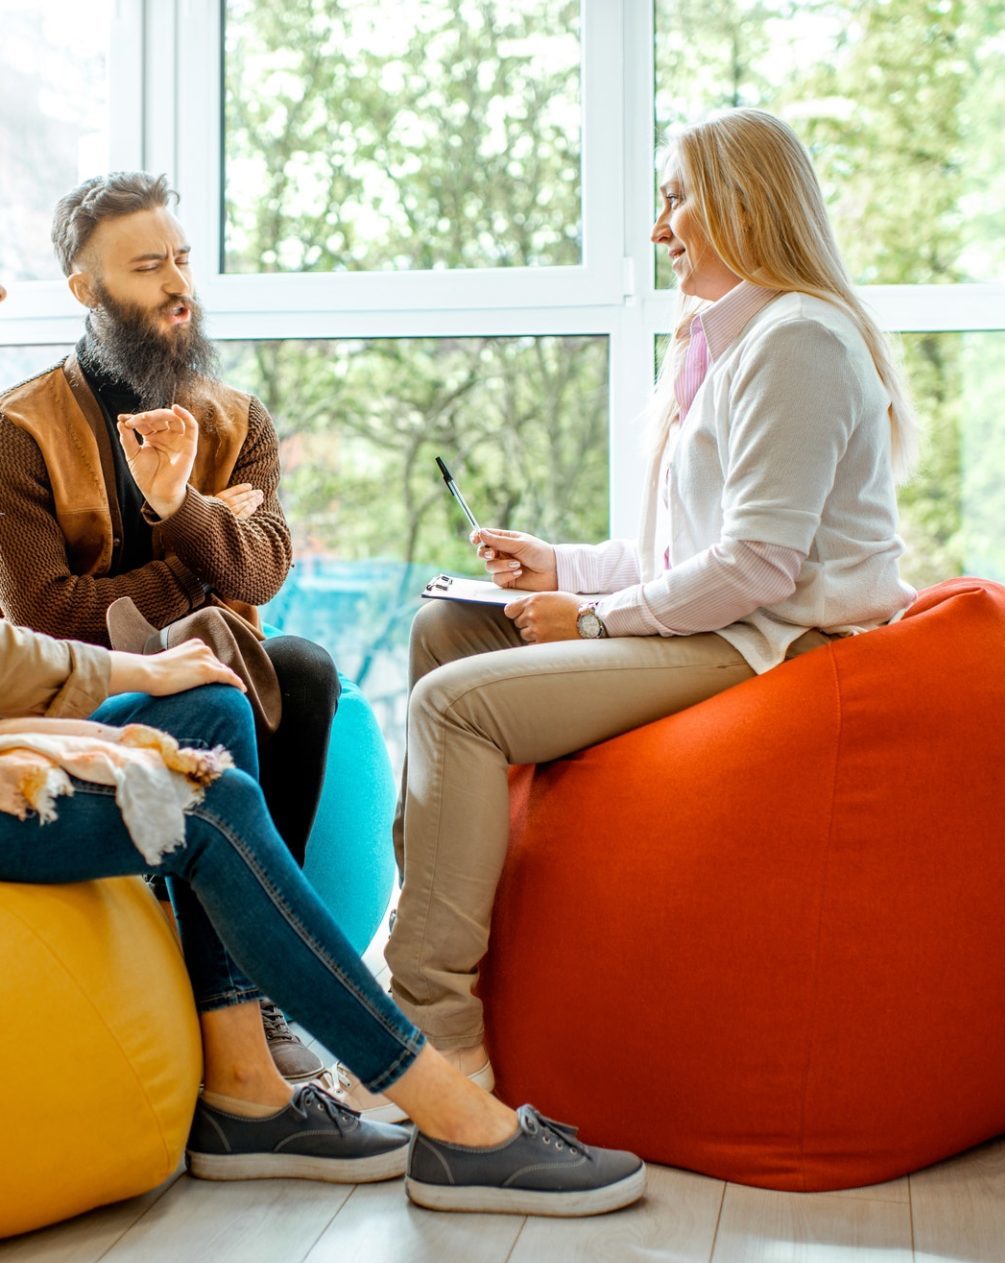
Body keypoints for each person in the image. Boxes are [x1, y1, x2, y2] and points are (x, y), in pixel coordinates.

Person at [0, 180, 646, 1217]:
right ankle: (462, 1122)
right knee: (210, 798)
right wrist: (152, 657)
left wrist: (177, 565)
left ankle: (241, 1090)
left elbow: (252, 572)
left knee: (217, 714)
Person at [343, 107, 920, 1119]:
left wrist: (598, 623)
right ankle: (445, 930)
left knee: (454, 710)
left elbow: (760, 564)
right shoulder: (715, 340)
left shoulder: (799, 343)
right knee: (445, 631)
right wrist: (554, 567)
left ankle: (436, 1034)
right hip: (727, 618)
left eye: (675, 197)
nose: (662, 229)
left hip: (781, 645)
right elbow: (677, 551)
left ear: (742, 202)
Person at [0, 171, 342, 1082]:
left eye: (181, 259)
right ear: (87, 290)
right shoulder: (11, 428)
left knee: (299, 668)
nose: (179, 284)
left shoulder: (238, 418)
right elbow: (44, 614)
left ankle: (258, 987)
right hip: (75, 679)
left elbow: (260, 573)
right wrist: (194, 544)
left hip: (213, 661)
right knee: (213, 681)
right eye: (147, 267)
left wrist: (177, 503)